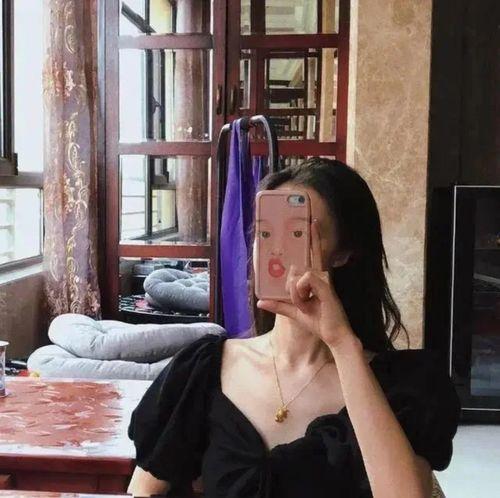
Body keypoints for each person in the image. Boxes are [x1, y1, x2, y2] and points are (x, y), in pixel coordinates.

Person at [127, 158, 461, 497]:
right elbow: (143, 490)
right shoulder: (203, 370)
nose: (276, 250)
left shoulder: (404, 387)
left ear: (345, 252)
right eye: (265, 232)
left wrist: (343, 345)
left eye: (298, 234)